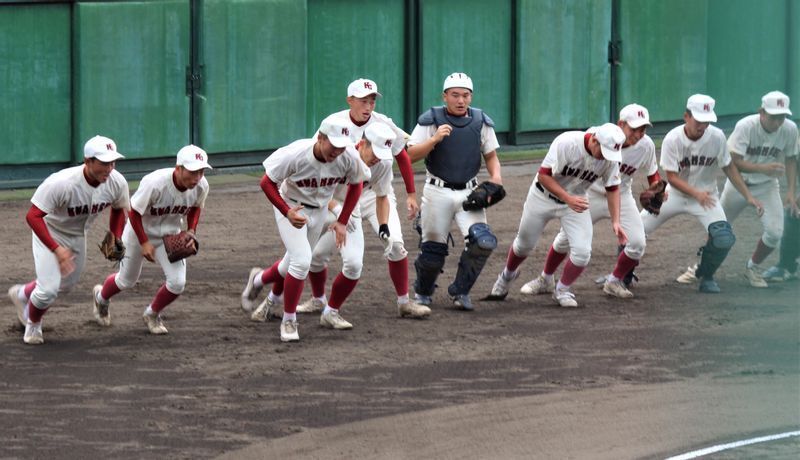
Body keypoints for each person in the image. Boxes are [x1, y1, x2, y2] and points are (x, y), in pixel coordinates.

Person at [296, 79, 430, 320]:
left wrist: (410, 194)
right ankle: (318, 300)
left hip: (376, 192)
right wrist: (335, 207)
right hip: (339, 196)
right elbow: (318, 164)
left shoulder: (383, 125)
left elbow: (401, 154)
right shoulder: (334, 125)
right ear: (350, 101)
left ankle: (404, 302)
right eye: (363, 101)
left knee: (396, 245)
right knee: (316, 256)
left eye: (372, 100)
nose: (368, 106)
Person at [240, 115, 370, 342]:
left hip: (319, 211)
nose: (337, 151)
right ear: (320, 137)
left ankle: (259, 280)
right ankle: (288, 320)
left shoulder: (347, 156)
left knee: (292, 263)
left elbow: (356, 184)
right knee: (301, 262)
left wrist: (342, 220)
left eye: (341, 147)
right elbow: (266, 182)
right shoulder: (297, 154)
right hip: (290, 206)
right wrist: (286, 211)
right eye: (333, 145)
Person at [487, 123, 628, 307]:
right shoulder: (566, 143)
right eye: (603, 150)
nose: (605, 157)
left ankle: (562, 289)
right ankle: (506, 276)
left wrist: (616, 221)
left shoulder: (610, 158)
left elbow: (612, 188)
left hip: (575, 200)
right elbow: (544, 176)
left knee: (582, 253)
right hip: (542, 196)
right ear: (594, 139)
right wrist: (567, 198)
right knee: (523, 245)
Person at [7, 135, 129, 345]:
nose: (109, 168)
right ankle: (33, 323)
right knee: (47, 291)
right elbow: (33, 216)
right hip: (49, 231)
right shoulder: (62, 183)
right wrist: (56, 249)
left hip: (77, 236)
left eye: (112, 162)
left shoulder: (116, 182)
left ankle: (22, 294)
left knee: (65, 284)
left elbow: (119, 208)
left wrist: (116, 233)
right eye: (103, 163)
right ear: (88, 161)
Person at [641, 94, 763, 293]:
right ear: (686, 116)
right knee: (636, 231)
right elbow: (671, 177)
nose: (703, 126)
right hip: (675, 196)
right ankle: (622, 276)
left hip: (707, 198)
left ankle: (706, 275)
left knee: (723, 237)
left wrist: (748, 195)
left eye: (707, 121)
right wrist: (696, 194)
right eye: (699, 121)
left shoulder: (716, 137)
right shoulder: (672, 138)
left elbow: (729, 167)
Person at [677, 91, 797, 288]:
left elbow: (792, 158)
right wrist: (763, 168)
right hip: (737, 185)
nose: (778, 122)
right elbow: (733, 162)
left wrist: (791, 191)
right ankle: (701, 268)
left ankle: (752, 267)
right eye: (774, 117)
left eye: (782, 117)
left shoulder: (790, 129)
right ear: (762, 112)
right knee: (718, 228)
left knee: (775, 232)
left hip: (766, 187)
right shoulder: (746, 126)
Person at [406, 72, 503, 311]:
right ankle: (423, 291)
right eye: (455, 95)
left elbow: (491, 156)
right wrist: (434, 140)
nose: (461, 100)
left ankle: (460, 291)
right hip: (437, 191)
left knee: (484, 242)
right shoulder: (431, 120)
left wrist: (496, 179)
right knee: (432, 251)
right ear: (445, 96)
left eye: (466, 95)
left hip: (470, 192)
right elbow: (409, 156)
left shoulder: (480, 121)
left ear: (471, 97)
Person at [90, 145, 211, 334]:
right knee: (126, 281)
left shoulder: (202, 185)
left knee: (177, 283)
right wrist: (144, 242)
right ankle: (101, 298)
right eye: (193, 171)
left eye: (201, 171)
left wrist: (191, 231)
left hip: (169, 235)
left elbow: (196, 207)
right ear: (178, 168)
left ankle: (152, 313)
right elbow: (134, 212)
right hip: (138, 234)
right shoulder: (155, 183)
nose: (197, 177)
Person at [545, 104, 662, 299]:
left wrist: (658, 189)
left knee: (638, 243)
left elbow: (653, 175)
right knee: (565, 239)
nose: (639, 134)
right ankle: (545, 277)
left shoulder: (646, 145)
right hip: (589, 193)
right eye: (635, 129)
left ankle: (614, 281)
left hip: (621, 195)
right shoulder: (597, 137)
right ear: (621, 124)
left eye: (643, 129)